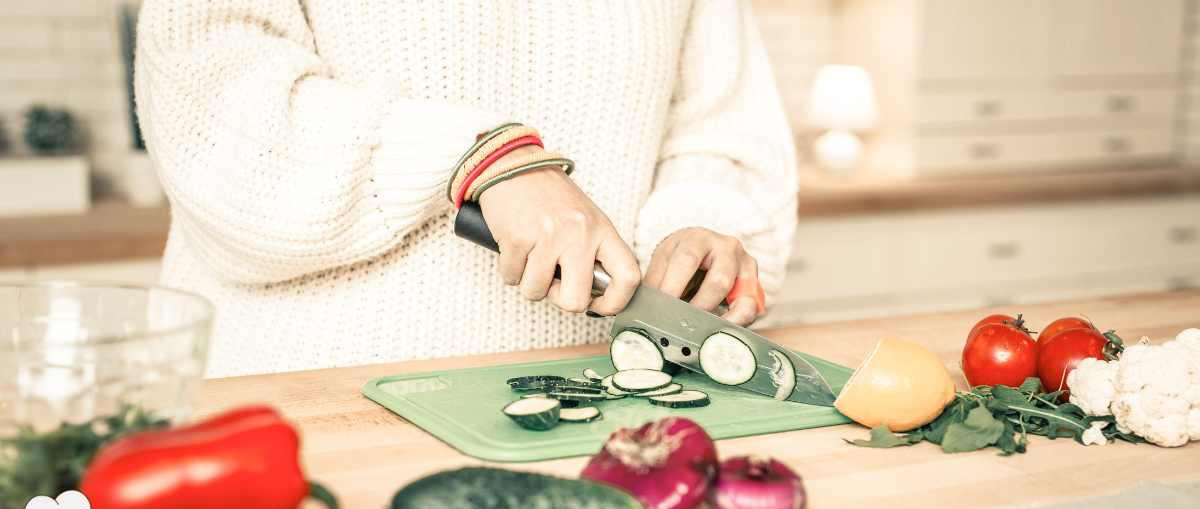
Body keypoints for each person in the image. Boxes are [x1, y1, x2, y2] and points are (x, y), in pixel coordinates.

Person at [136, 0, 799, 378]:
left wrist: (702, 221)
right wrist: (481, 158)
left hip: (607, 402)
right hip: (306, 406)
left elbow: (718, 132)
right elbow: (211, 111)